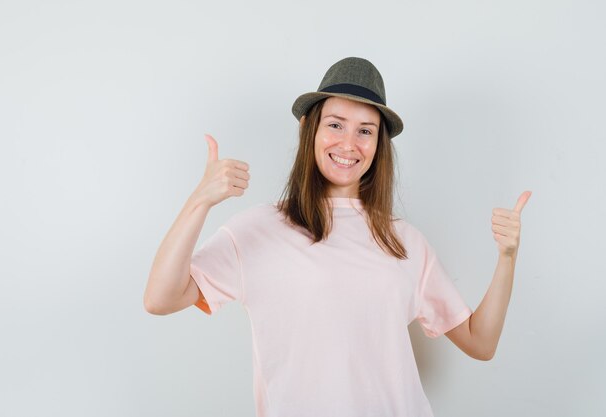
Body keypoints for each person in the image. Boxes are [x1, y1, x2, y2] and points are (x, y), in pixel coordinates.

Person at [143, 57, 531, 417]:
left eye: (366, 131)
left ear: (379, 145)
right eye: (335, 124)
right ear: (308, 128)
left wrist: (507, 258)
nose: (349, 144)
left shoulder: (404, 241)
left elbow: (480, 343)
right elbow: (160, 299)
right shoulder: (258, 230)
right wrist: (200, 201)